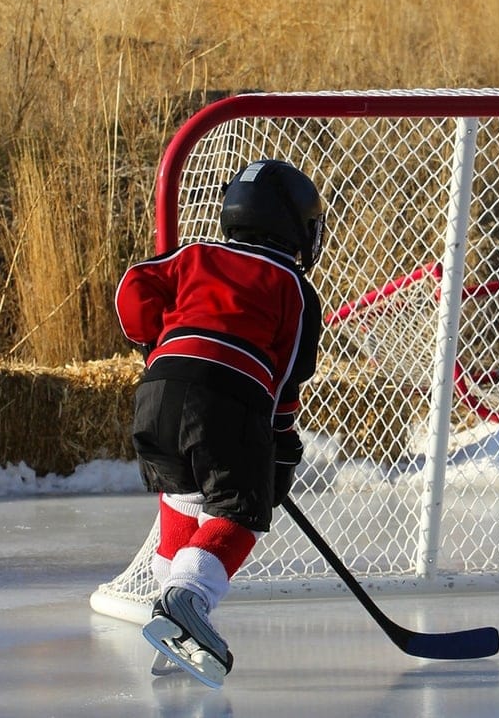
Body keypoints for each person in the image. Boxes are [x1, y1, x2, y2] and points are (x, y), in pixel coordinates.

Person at [114, 159, 325, 688]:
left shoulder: (194, 254)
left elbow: (132, 286)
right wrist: (279, 448)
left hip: (156, 393)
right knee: (240, 512)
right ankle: (189, 599)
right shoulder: (293, 286)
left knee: (182, 497)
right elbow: (285, 377)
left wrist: (155, 344)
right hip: (228, 399)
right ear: (298, 227)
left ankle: (174, 629)